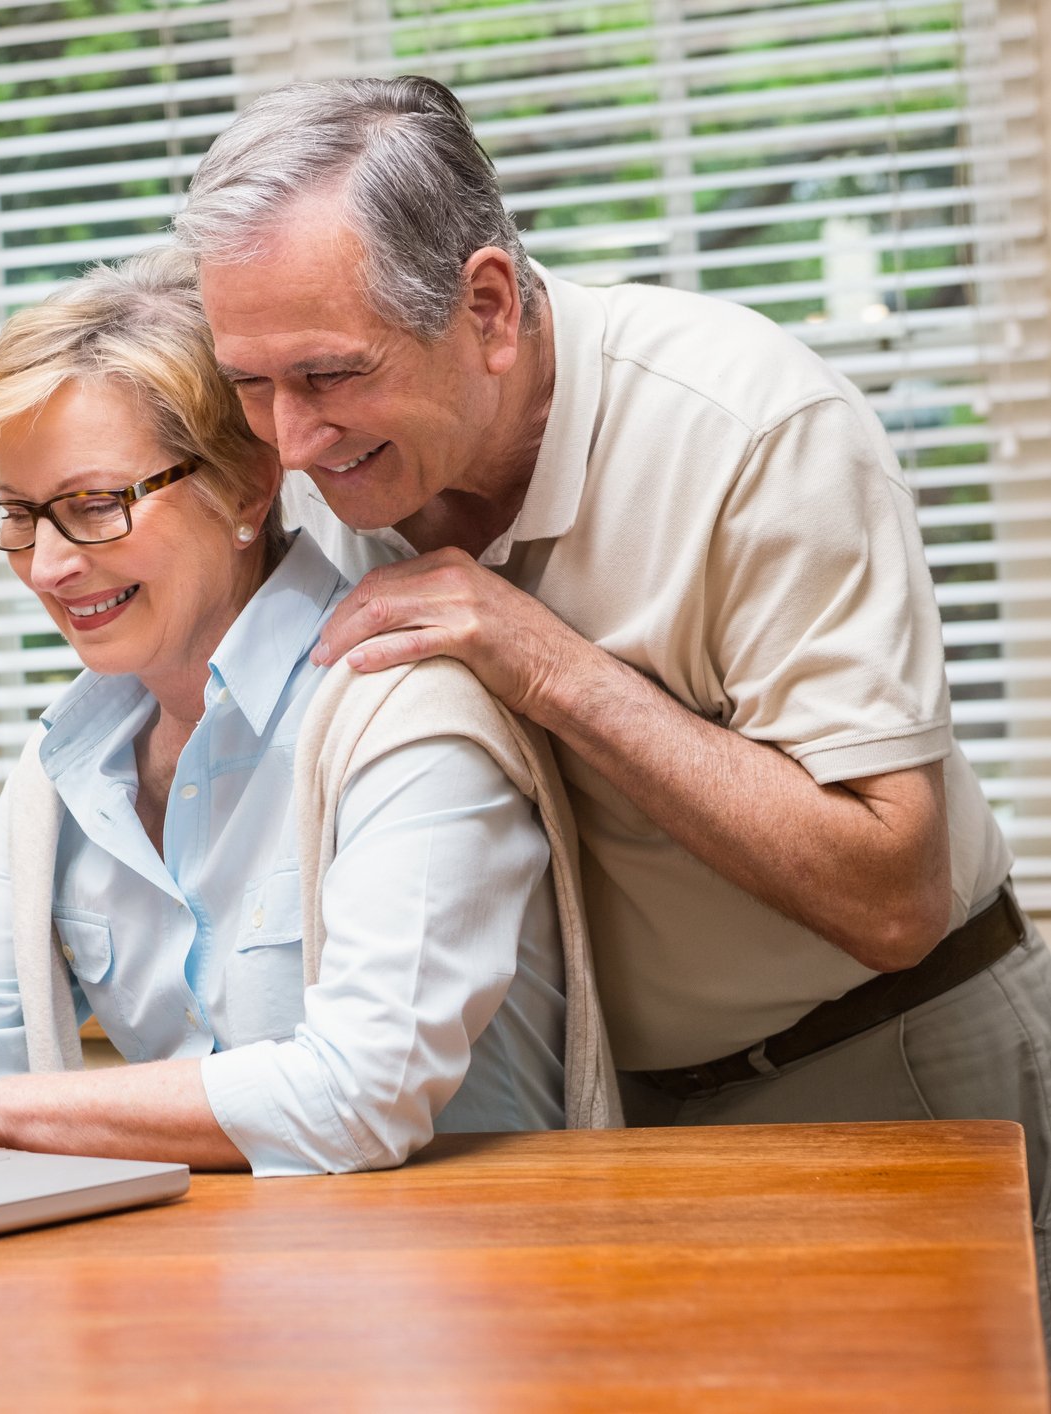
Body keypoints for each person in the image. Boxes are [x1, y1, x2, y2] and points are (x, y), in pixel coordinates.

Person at [178, 71, 1051, 1312]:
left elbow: (893, 890)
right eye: (250, 386)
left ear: (485, 306)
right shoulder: (343, 471)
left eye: (328, 376)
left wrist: (542, 657)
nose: (290, 442)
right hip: (624, 1115)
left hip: (893, 1056)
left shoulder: (751, 430)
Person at [0, 250, 618, 1176]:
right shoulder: (70, 764)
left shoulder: (403, 716)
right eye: (18, 514)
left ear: (243, 486)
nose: (48, 566)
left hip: (479, 1274)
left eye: (95, 505)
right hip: (231, 1277)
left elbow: (356, 1099)